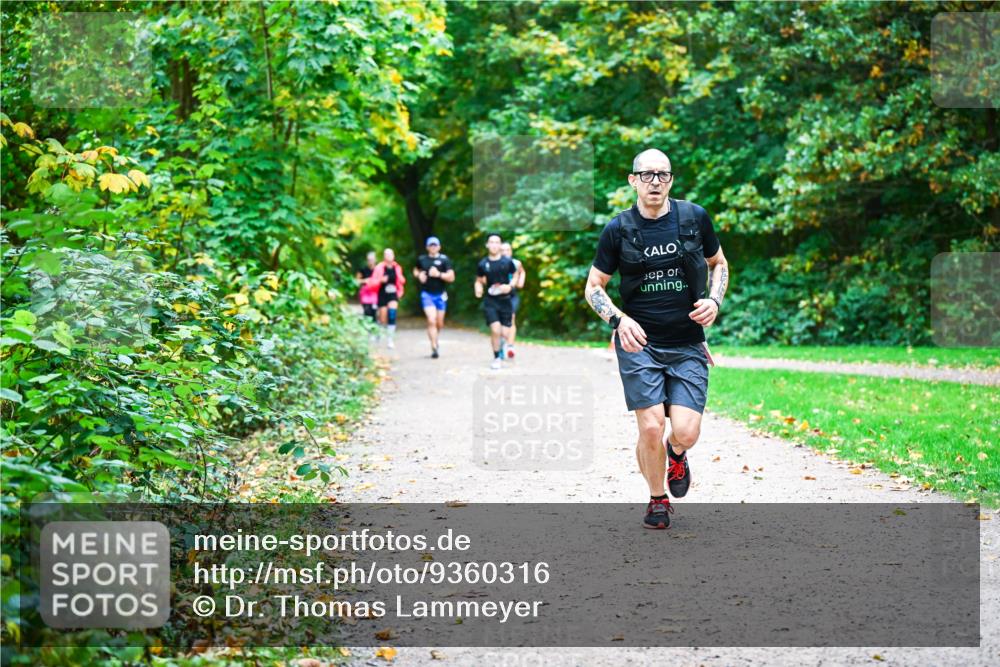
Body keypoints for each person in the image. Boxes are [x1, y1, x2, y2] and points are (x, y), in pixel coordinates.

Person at [584, 149, 729, 529]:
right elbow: (594, 287)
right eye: (646, 175)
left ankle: (676, 453)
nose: (655, 182)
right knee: (649, 426)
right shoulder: (618, 229)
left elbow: (719, 264)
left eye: (662, 175)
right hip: (639, 343)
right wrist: (618, 320)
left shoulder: (694, 219)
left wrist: (715, 300)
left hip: (686, 345)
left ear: (671, 180)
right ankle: (656, 499)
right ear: (632, 180)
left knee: (685, 431)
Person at [474, 234, 517, 370]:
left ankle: (501, 345)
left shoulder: (507, 262)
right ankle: (496, 357)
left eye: (496, 242)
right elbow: (479, 280)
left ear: (500, 245)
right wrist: (478, 289)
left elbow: (515, 275)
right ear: (487, 245)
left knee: (504, 333)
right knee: (495, 329)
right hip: (491, 301)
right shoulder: (482, 264)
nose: (494, 245)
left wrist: (510, 286)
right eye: (491, 242)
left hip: (506, 301)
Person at [414, 236, 455, 358]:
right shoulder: (422, 259)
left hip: (441, 295)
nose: (433, 247)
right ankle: (434, 346)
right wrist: (419, 275)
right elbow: (416, 270)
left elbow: (452, 277)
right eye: (431, 245)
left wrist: (439, 274)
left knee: (439, 323)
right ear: (427, 247)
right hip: (427, 294)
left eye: (435, 245)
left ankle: (435, 339)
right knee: (431, 320)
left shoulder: (444, 260)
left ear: (439, 247)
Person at [370, 248, 406, 349]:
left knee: (392, 314)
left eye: (391, 254)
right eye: (387, 254)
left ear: (393, 256)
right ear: (384, 256)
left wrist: (401, 282)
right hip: (382, 293)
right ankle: (378, 331)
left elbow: (401, 280)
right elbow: (372, 282)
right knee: (383, 318)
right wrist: (381, 280)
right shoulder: (379, 267)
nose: (389, 256)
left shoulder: (397, 267)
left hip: (393, 293)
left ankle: (390, 340)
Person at [500, 242, 526, 359]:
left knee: (511, 318)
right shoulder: (495, 263)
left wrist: (520, 282)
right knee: (500, 324)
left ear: (511, 251)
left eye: (507, 250)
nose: (505, 252)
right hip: (498, 297)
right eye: (503, 250)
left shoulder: (516, 263)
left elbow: (522, 272)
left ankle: (510, 346)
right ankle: (500, 345)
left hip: (512, 296)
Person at [356, 251, 379, 324]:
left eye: (372, 260)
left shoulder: (379, 269)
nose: (371, 262)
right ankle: (368, 328)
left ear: (375, 260)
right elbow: (356, 281)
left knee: (374, 312)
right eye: (369, 260)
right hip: (365, 294)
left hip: (375, 294)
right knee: (367, 311)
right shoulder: (362, 269)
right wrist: (365, 281)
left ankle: (374, 329)